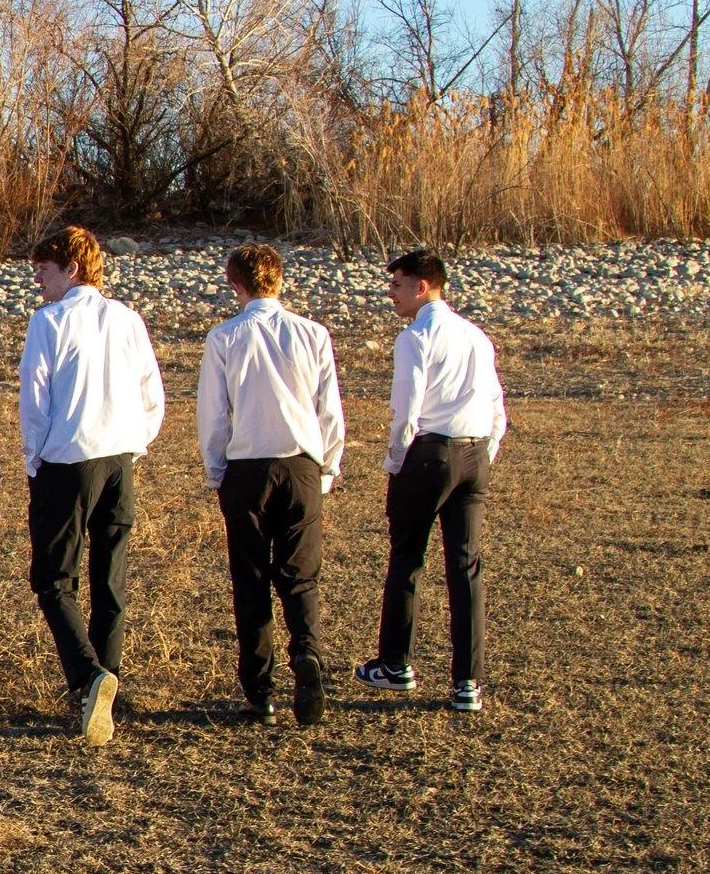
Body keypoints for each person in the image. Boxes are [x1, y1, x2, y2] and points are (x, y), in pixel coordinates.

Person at [19, 226, 165, 746]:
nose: (37, 279)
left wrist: (34, 458)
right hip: (120, 457)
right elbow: (153, 390)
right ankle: (105, 685)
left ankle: (88, 676)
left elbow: (35, 397)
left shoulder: (50, 321)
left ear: (72, 270)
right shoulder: (128, 319)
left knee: (53, 578)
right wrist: (137, 441)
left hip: (68, 459)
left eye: (45, 269)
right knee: (110, 578)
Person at [198, 243, 347, 726]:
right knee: (301, 574)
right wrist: (327, 467)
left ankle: (259, 690)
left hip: (248, 468)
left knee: (251, 578)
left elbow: (214, 415)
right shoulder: (313, 334)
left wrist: (215, 468)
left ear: (236, 285)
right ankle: (307, 653)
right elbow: (329, 410)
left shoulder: (225, 337)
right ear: (279, 281)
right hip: (302, 463)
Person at [356, 249, 507, 713]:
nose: (391, 293)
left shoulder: (415, 337)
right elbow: (497, 407)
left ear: (422, 286)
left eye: (397, 284)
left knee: (407, 558)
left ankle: (395, 663)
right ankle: (468, 682)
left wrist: (396, 461)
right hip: (474, 451)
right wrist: (484, 452)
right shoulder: (476, 336)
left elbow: (407, 410)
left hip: (428, 452)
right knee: (466, 567)